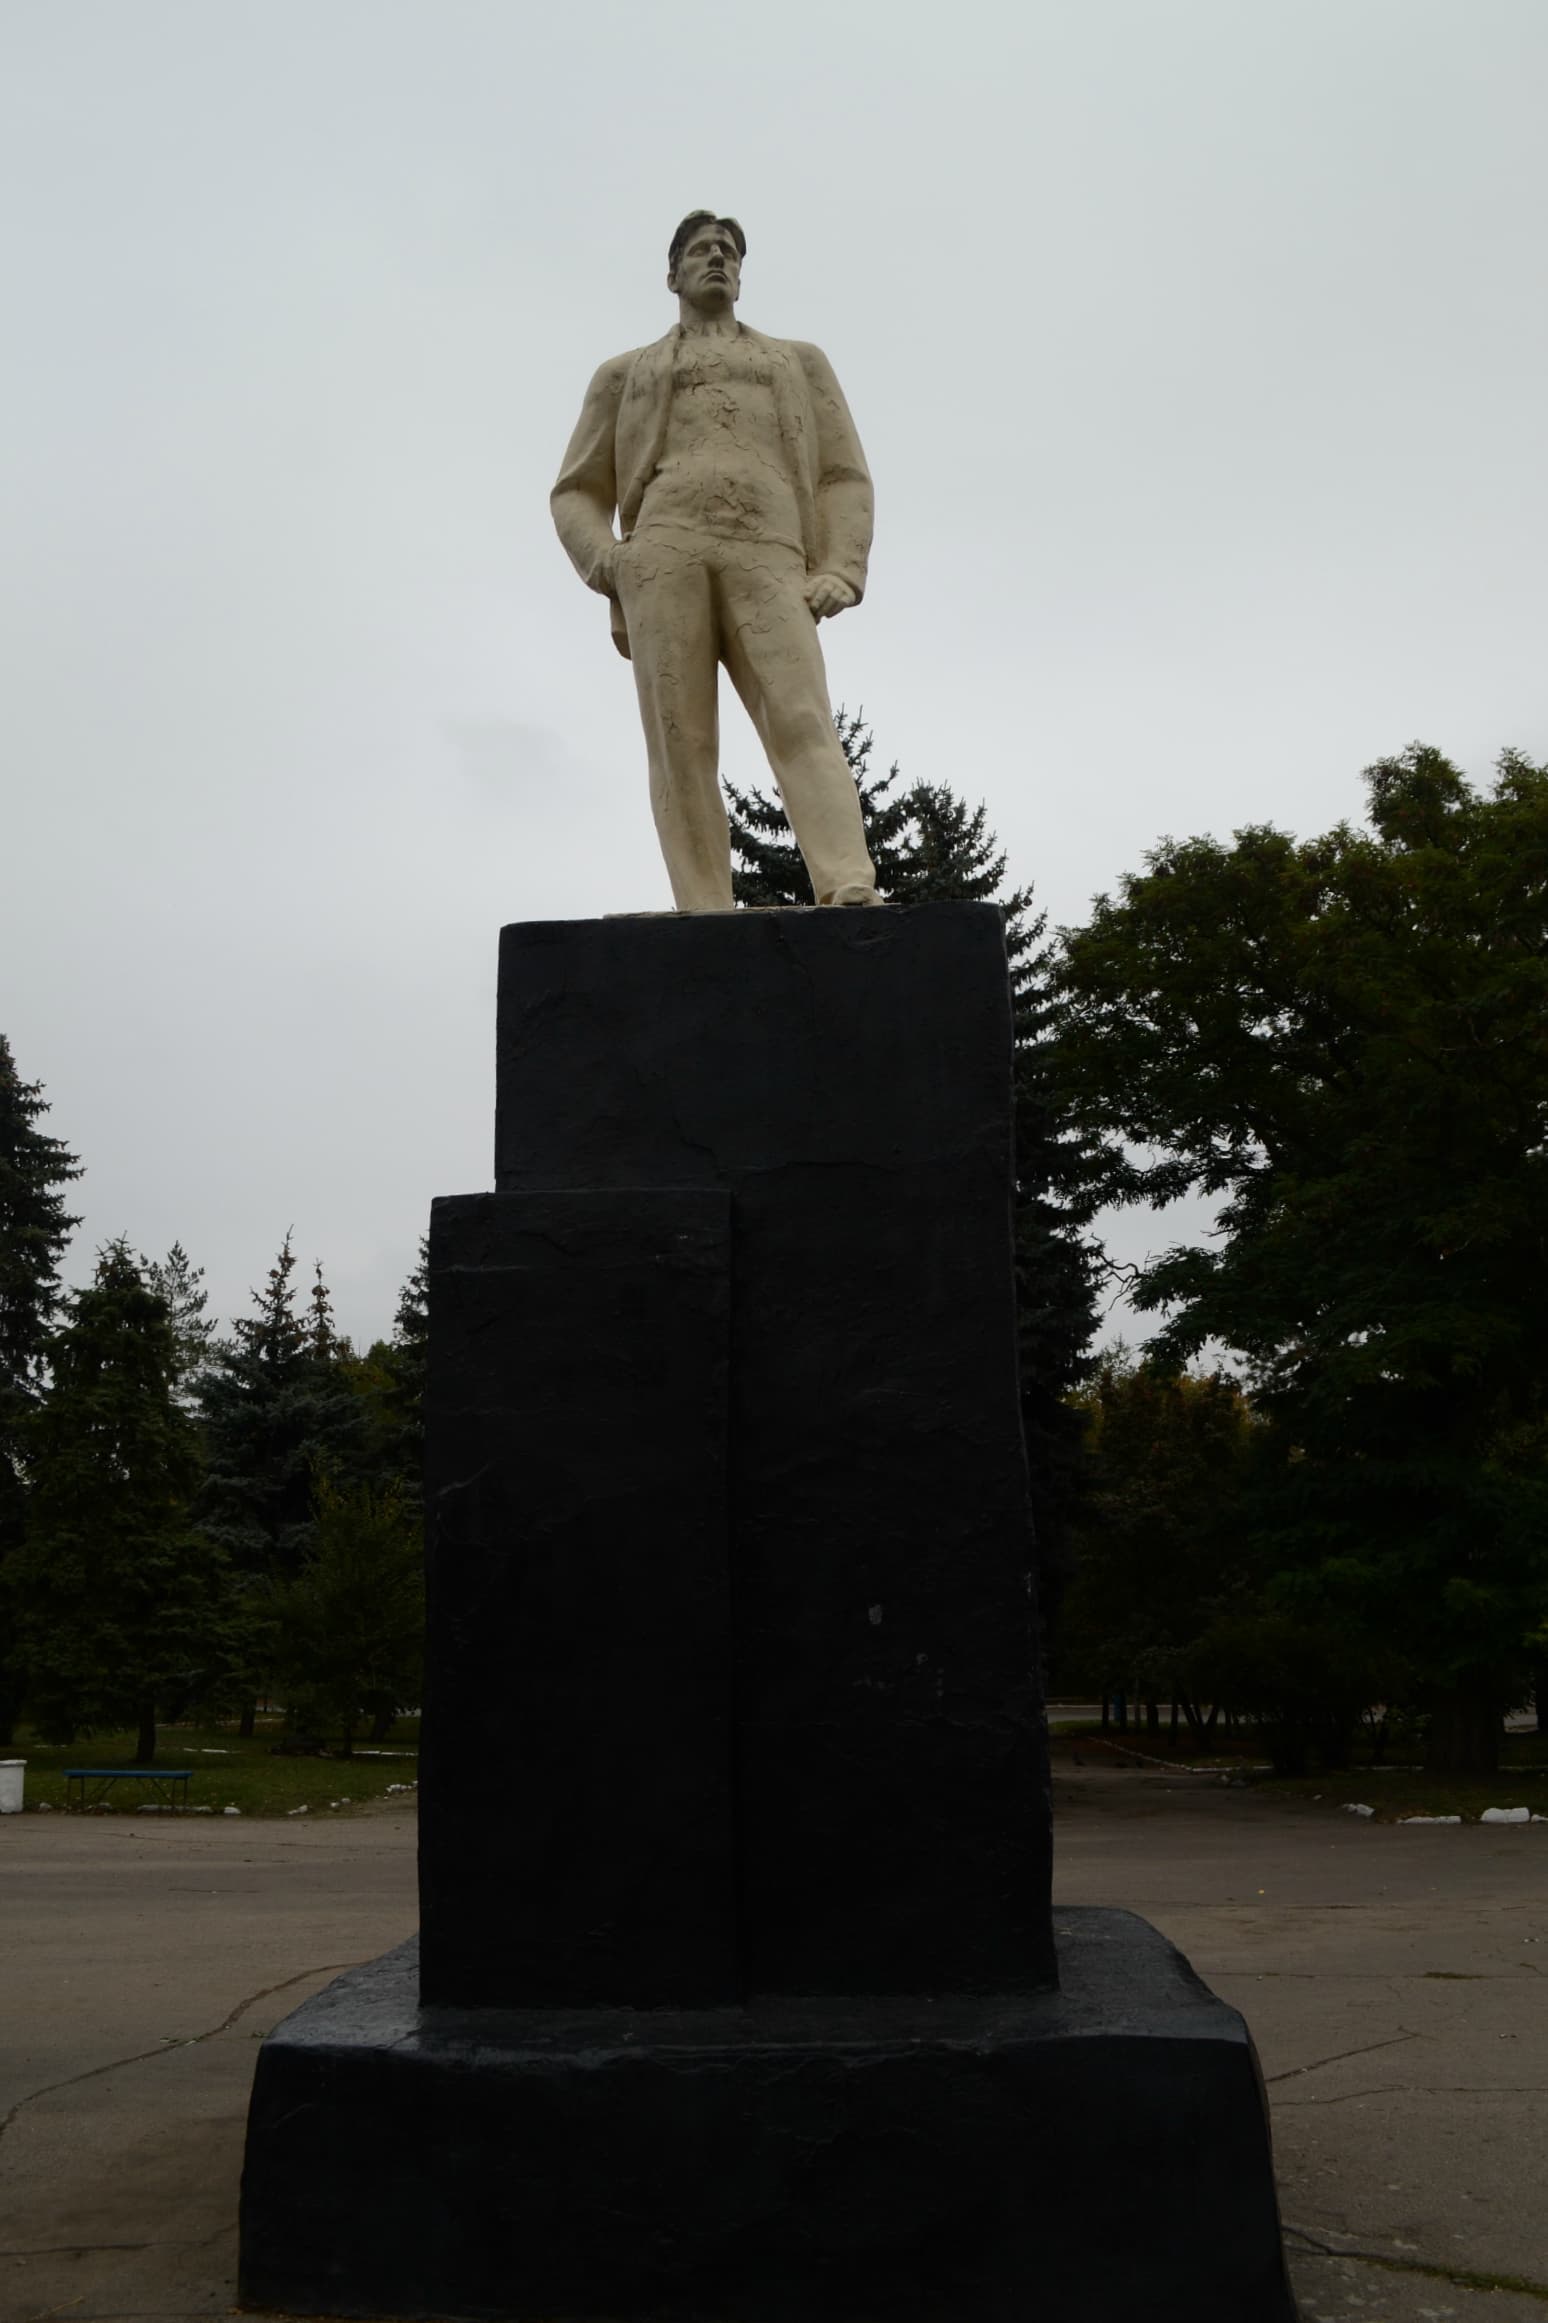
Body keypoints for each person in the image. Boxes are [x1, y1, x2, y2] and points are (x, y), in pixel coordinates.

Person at [552, 210, 882, 912]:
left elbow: (842, 475)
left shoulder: (797, 361)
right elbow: (577, 490)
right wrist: (607, 561)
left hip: (769, 552)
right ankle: (704, 906)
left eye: (729, 251)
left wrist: (841, 568)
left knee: (801, 715)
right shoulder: (624, 374)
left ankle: (848, 881)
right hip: (663, 552)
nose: (717, 259)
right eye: (701, 250)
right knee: (681, 739)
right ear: (672, 274)